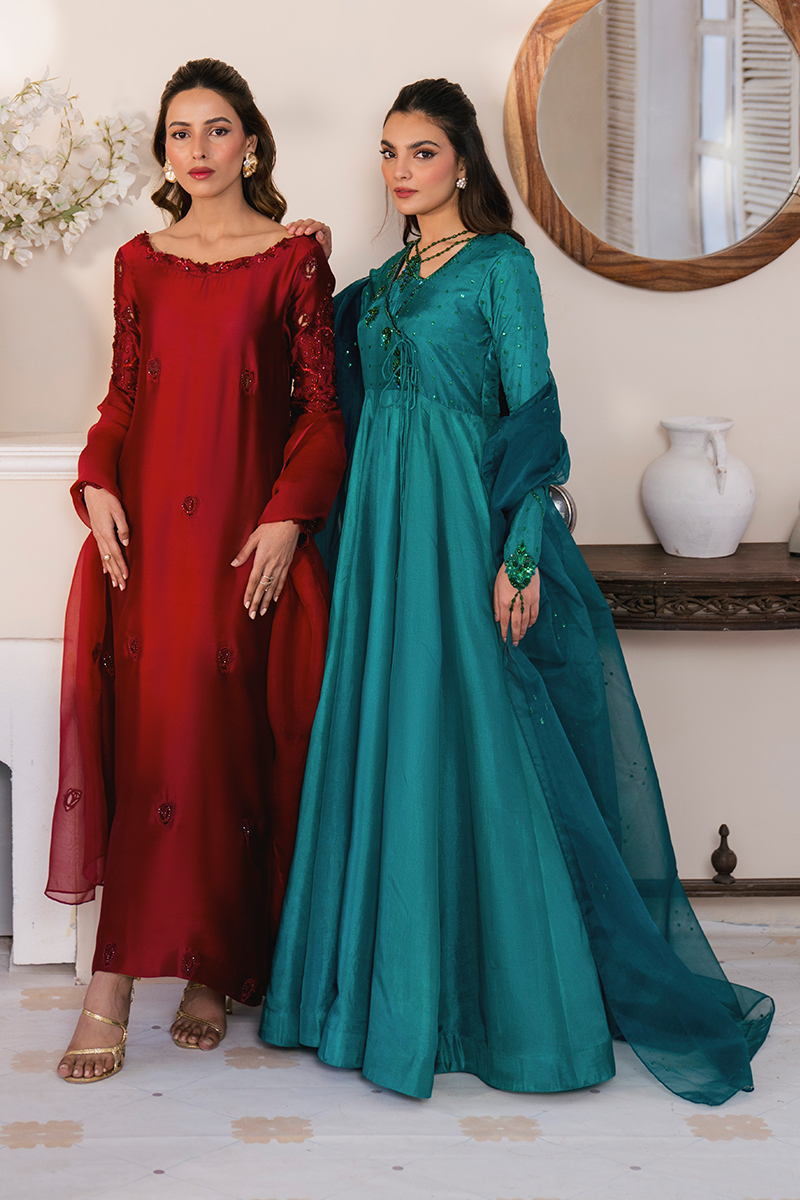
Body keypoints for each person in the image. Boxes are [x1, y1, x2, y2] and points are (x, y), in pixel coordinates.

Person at [260, 79, 773, 1104]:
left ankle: (515, 1009)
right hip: (382, 539)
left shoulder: (500, 267)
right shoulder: (384, 282)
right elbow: (323, 365)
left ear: (463, 161)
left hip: (460, 527)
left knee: (484, 739)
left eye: (421, 152)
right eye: (388, 152)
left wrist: (521, 556)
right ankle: (381, 994)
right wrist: (306, 260)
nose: (400, 170)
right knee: (394, 734)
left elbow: (532, 416)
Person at [47, 58, 345, 1081]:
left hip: (241, 543)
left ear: (250, 143)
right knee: (150, 744)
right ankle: (113, 981)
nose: (200, 148)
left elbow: (319, 409)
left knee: (221, 746)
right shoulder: (138, 261)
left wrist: (287, 517)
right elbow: (123, 395)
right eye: (181, 132)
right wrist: (95, 480)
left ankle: (212, 966)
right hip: (150, 548)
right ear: (164, 151)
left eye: (218, 129)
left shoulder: (293, 261)